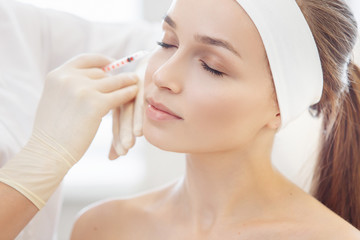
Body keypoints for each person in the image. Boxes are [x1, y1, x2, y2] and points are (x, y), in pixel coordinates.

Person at [70, 0, 360, 239]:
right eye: (167, 42)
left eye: (211, 67)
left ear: (280, 106)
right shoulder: (103, 227)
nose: (161, 76)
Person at [0, 0, 160, 239]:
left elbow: (157, 37)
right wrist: (45, 154)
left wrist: (152, 62)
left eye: (213, 68)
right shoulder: (100, 225)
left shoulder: (15, 24)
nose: (168, 79)